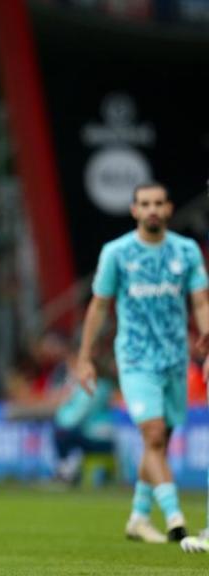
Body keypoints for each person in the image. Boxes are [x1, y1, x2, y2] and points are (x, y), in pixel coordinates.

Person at [76, 182, 209, 545]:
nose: (152, 209)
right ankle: (176, 518)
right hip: (135, 360)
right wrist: (85, 356)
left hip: (175, 359)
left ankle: (137, 516)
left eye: (158, 203)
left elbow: (200, 300)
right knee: (152, 435)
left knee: (161, 441)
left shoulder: (186, 251)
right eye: (145, 203)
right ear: (134, 210)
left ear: (168, 209)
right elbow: (99, 306)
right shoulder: (117, 253)